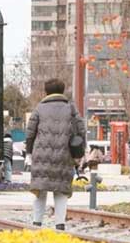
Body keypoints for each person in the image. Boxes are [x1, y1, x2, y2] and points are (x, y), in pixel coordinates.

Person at [26, 78, 86, 231]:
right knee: (61, 190)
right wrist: (80, 154)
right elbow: (81, 131)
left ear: (46, 92)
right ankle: (60, 224)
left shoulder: (39, 108)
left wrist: (28, 153)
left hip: (41, 155)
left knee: (40, 189)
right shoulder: (71, 108)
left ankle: (37, 223)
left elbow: (30, 133)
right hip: (64, 154)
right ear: (62, 90)